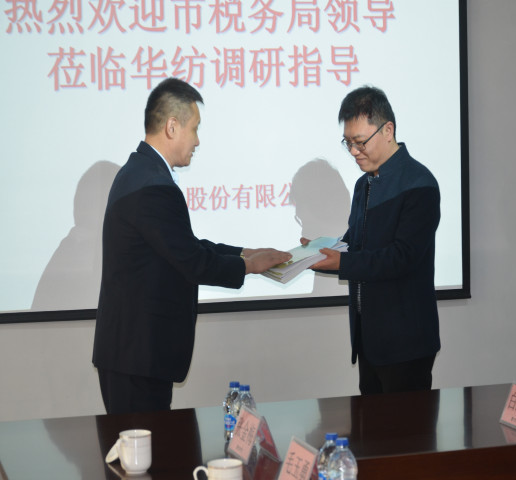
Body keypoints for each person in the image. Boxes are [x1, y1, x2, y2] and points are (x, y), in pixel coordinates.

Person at [92, 78, 291, 414]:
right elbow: (191, 260)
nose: (197, 141)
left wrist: (243, 253)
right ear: (172, 126)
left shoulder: (141, 173)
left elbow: (181, 245)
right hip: (138, 357)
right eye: (194, 129)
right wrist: (248, 266)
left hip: (133, 354)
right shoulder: (152, 185)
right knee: (147, 447)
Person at [305, 86, 441, 395]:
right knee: (369, 426)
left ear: (388, 130)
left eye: (360, 142)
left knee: (407, 427)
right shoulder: (363, 184)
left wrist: (342, 262)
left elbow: (402, 257)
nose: (354, 151)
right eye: (348, 143)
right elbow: (355, 243)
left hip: (406, 343)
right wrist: (316, 252)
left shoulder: (419, 184)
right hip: (369, 338)